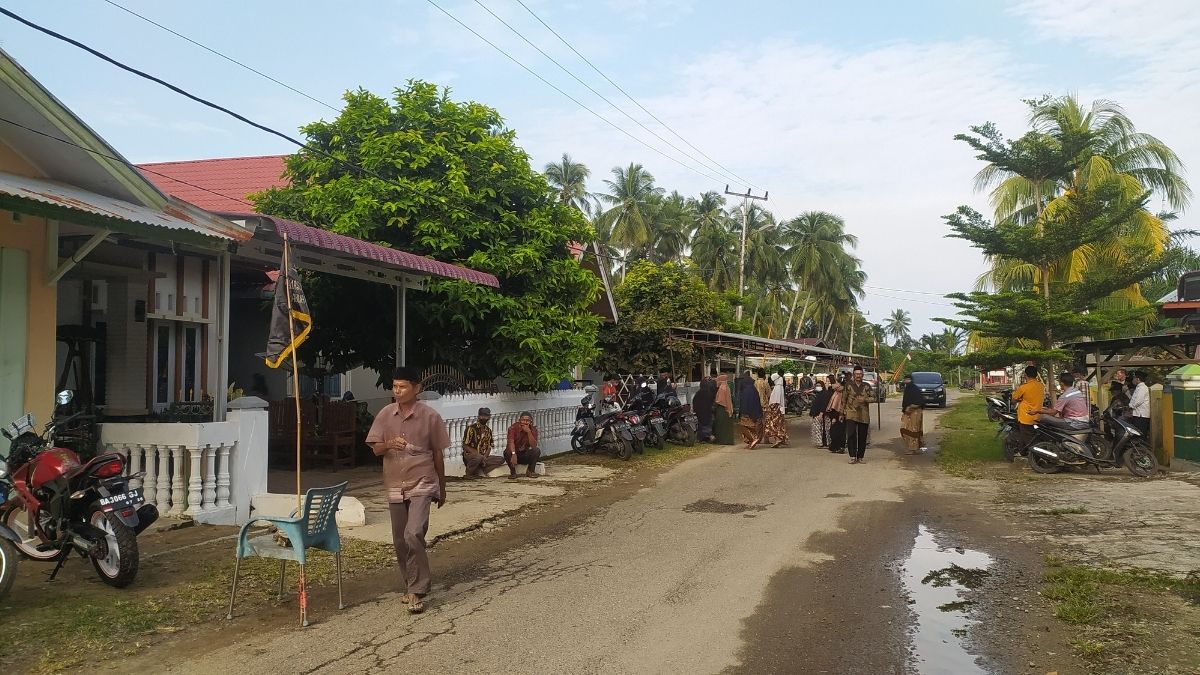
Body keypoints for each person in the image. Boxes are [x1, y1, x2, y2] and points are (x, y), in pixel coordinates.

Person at [365, 367, 450, 614]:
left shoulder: (430, 416)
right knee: (400, 539)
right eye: (395, 386)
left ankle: (417, 588)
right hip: (394, 482)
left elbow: (438, 454)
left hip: (423, 480)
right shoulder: (385, 414)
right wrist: (389, 443)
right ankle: (411, 583)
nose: (397, 391)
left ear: (417, 388)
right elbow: (375, 449)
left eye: (402, 386)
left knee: (413, 533)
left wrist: (442, 487)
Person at [462, 407, 506, 479]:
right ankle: (468, 474)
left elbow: (489, 447)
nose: (484, 418)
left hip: (482, 456)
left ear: (489, 417)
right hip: (470, 455)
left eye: (486, 416)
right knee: (478, 458)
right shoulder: (471, 428)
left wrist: (484, 457)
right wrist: (479, 456)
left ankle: (483, 470)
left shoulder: (488, 430)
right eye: (482, 415)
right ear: (478, 416)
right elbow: (465, 446)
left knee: (501, 459)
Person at [1010, 365, 1045, 454]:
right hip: (1037, 415)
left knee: (1028, 438)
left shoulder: (1023, 387)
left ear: (1025, 375)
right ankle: (1021, 452)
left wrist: (1020, 400)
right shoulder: (1041, 386)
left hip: (1026, 416)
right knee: (1024, 435)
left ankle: (1037, 455)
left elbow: (1013, 400)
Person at [842, 365, 873, 464]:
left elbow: (874, 397)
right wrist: (842, 412)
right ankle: (852, 456)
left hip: (863, 415)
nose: (858, 376)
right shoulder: (848, 385)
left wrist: (865, 399)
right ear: (853, 375)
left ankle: (860, 456)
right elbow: (843, 399)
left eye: (860, 374)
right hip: (851, 413)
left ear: (862, 375)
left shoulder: (866, 386)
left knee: (862, 436)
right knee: (851, 434)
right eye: (856, 374)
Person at [504, 412, 542, 478]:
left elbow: (533, 446)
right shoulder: (513, 428)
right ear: (519, 421)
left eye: (527, 420)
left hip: (524, 454)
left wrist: (529, 432)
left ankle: (530, 471)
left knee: (536, 450)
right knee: (507, 452)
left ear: (531, 422)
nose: (525, 422)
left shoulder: (533, 429)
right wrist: (513, 454)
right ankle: (513, 472)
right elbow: (511, 442)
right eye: (523, 420)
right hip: (514, 454)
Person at [900, 376, 927, 454]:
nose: (904, 380)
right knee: (905, 429)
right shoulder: (908, 388)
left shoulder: (913, 388)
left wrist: (910, 407)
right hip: (908, 412)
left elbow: (919, 401)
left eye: (906, 379)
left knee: (913, 430)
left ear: (909, 380)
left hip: (915, 412)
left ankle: (913, 449)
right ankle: (914, 446)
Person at [738, 371, 764, 449]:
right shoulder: (753, 389)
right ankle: (752, 440)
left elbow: (744, 403)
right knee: (751, 427)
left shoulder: (745, 391)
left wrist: (742, 412)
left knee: (744, 426)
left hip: (746, 412)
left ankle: (753, 439)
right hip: (754, 412)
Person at [764, 370, 789, 447]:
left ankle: (778, 439)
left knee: (774, 424)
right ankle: (782, 438)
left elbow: (775, 400)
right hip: (780, 409)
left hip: (776, 409)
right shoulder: (780, 387)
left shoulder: (777, 388)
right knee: (780, 424)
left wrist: (772, 407)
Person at [692, 372, 717, 442]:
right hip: (707, 411)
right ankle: (708, 435)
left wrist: (695, 410)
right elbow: (712, 402)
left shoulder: (698, 393)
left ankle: (701, 437)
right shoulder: (709, 393)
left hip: (700, 412)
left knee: (701, 425)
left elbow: (694, 402)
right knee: (708, 424)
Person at [809, 376, 833, 447]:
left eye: (819, 385)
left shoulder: (825, 394)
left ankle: (825, 443)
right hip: (816, 414)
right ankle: (820, 443)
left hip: (822, 414)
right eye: (817, 385)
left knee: (825, 429)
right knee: (817, 429)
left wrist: (821, 413)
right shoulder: (817, 394)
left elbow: (824, 404)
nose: (818, 387)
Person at [1127, 370, 1151, 435]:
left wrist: (1130, 406)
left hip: (1141, 415)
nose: (1132, 380)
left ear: (1138, 379)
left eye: (1134, 378)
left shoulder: (1142, 388)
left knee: (1140, 434)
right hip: (1138, 414)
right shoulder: (1139, 387)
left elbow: (1138, 401)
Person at [713, 374, 735, 445]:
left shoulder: (722, 388)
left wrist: (715, 404)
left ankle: (722, 440)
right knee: (726, 426)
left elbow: (720, 400)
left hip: (722, 409)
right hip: (727, 409)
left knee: (721, 425)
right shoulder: (726, 387)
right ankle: (728, 440)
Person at [825, 379, 846, 453]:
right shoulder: (835, 393)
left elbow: (838, 407)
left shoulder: (840, 394)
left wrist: (835, 417)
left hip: (839, 415)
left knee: (838, 432)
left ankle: (839, 447)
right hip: (835, 415)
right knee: (835, 431)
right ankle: (835, 446)